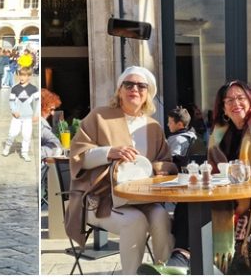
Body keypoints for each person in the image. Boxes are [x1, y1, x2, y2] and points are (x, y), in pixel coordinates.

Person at [144, 80, 251, 275]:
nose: (235, 103)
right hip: (225, 195)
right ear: (223, 107)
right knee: (188, 204)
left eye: (240, 98)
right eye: (229, 100)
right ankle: (183, 257)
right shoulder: (220, 134)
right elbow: (214, 170)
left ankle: (187, 262)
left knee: (207, 209)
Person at [65, 66, 176, 276]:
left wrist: (157, 169)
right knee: (134, 222)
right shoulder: (100, 117)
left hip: (144, 199)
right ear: (119, 90)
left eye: (141, 85)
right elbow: (77, 157)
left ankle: (163, 270)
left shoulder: (153, 127)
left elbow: (166, 162)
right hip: (100, 199)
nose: (135, 89)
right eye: (129, 84)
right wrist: (109, 152)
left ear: (147, 94)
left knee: (161, 217)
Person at [1, 66, 39, 162]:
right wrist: (14, 111)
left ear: (29, 76)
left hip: (28, 117)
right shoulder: (15, 88)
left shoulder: (33, 89)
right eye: (20, 75)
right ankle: (7, 148)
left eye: (24, 75)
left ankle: (24, 153)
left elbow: (38, 102)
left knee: (27, 135)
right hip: (17, 117)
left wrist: (36, 114)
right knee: (12, 133)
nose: (22, 77)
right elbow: (11, 101)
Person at [40, 88, 65, 158]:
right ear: (42, 106)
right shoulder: (41, 125)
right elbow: (55, 144)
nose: (53, 113)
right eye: (51, 109)